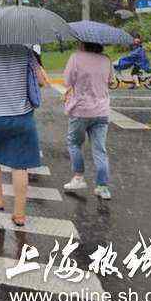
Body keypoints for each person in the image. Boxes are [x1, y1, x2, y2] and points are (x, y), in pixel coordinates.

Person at [0, 45, 45, 227]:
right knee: (20, 165)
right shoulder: (26, 52)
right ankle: (19, 214)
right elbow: (41, 81)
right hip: (22, 116)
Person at [62, 42, 114, 200]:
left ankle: (78, 177)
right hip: (102, 111)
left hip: (81, 110)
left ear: (83, 43)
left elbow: (67, 81)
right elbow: (111, 81)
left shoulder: (76, 58)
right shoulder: (106, 59)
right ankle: (102, 187)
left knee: (74, 143)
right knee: (100, 150)